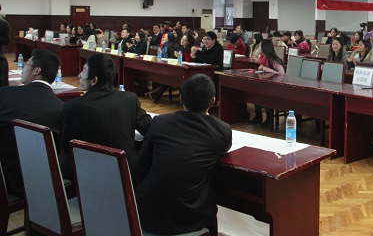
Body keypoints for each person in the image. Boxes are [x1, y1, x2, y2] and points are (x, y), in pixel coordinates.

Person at [135, 74, 231, 235]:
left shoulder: (159, 122)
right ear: (212, 102)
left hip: (147, 211)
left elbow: (142, 166)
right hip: (189, 216)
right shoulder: (222, 131)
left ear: (181, 100)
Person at [60, 53, 152, 183]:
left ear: (94, 80)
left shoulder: (72, 107)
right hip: (128, 173)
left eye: (83, 71)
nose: (79, 75)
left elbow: (66, 145)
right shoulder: (129, 99)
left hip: (89, 175)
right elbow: (149, 128)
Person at [0, 49, 63, 197]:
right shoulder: (61, 108)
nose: (22, 69)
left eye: (26, 64)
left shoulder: (4, 95)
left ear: (36, 70)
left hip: (5, 180)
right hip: (41, 184)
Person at [253, 40, 285, 127]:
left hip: (277, 87)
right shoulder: (263, 59)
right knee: (255, 93)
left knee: (265, 95)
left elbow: (282, 74)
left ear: (264, 48)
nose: (258, 48)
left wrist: (266, 69)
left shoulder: (274, 60)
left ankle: (269, 118)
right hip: (267, 85)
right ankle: (258, 116)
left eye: (260, 46)